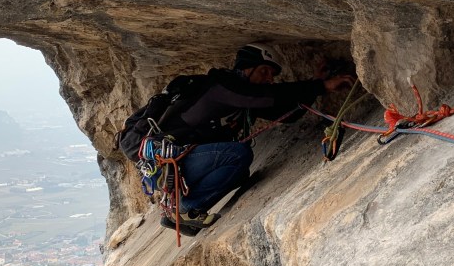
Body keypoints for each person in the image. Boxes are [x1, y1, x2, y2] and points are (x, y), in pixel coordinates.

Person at [118, 43, 354, 232]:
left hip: (182, 163)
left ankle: (184, 209)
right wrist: (320, 86)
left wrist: (315, 83)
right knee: (238, 154)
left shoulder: (241, 99)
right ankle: (185, 209)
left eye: (271, 75)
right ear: (247, 67)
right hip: (172, 160)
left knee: (239, 172)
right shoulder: (220, 87)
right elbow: (267, 96)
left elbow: (288, 114)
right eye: (264, 71)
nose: (269, 79)